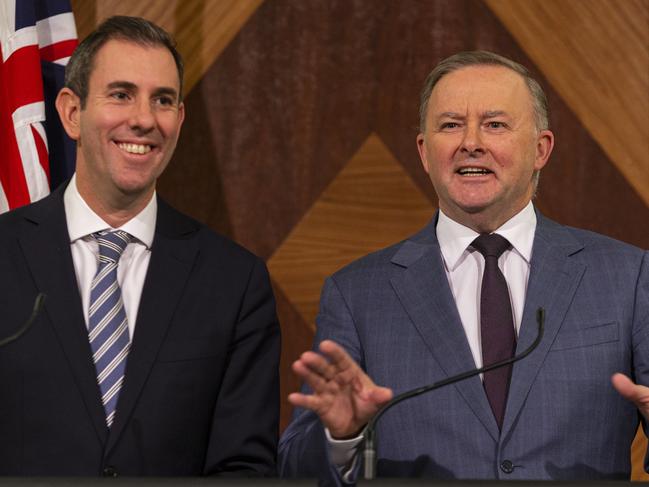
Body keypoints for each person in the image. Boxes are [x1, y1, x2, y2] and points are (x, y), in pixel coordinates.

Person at [278, 51, 649, 483]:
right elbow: (295, 469)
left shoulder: (626, 277)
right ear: (424, 151)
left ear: (540, 149)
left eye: (495, 124)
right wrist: (343, 437)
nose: (471, 142)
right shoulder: (358, 294)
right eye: (451, 125)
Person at [0, 16, 280, 476]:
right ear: (71, 112)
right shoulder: (5, 253)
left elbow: (244, 467)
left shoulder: (234, 281)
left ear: (179, 119)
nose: (144, 120)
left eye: (163, 100)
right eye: (121, 94)